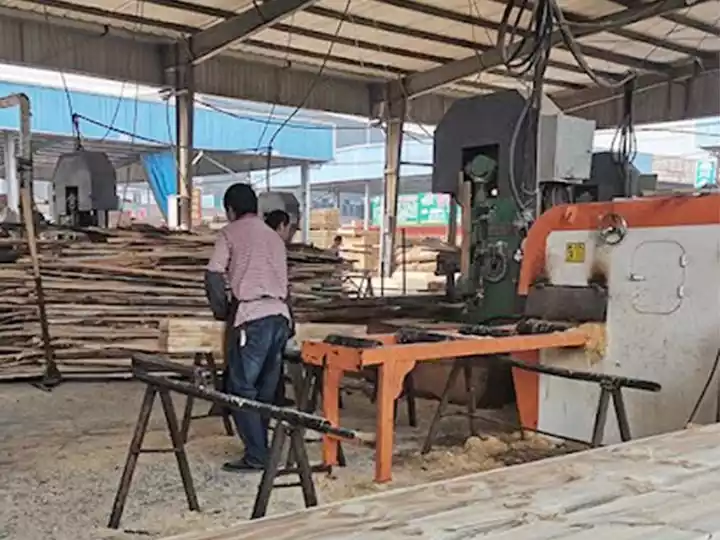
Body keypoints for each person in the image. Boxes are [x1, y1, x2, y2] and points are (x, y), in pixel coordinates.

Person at [204, 183, 291, 472]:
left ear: (230, 209)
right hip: (280, 315)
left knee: (241, 387)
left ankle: (257, 456)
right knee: (266, 390)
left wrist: (222, 311)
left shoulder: (230, 233)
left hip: (252, 317)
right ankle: (261, 447)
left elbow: (214, 275)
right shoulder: (274, 236)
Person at [263, 209, 296, 408]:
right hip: (272, 310)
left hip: (254, 311)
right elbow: (282, 286)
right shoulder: (275, 246)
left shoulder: (259, 242)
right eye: (289, 228)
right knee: (274, 359)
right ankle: (273, 399)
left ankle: (272, 397)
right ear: (282, 225)